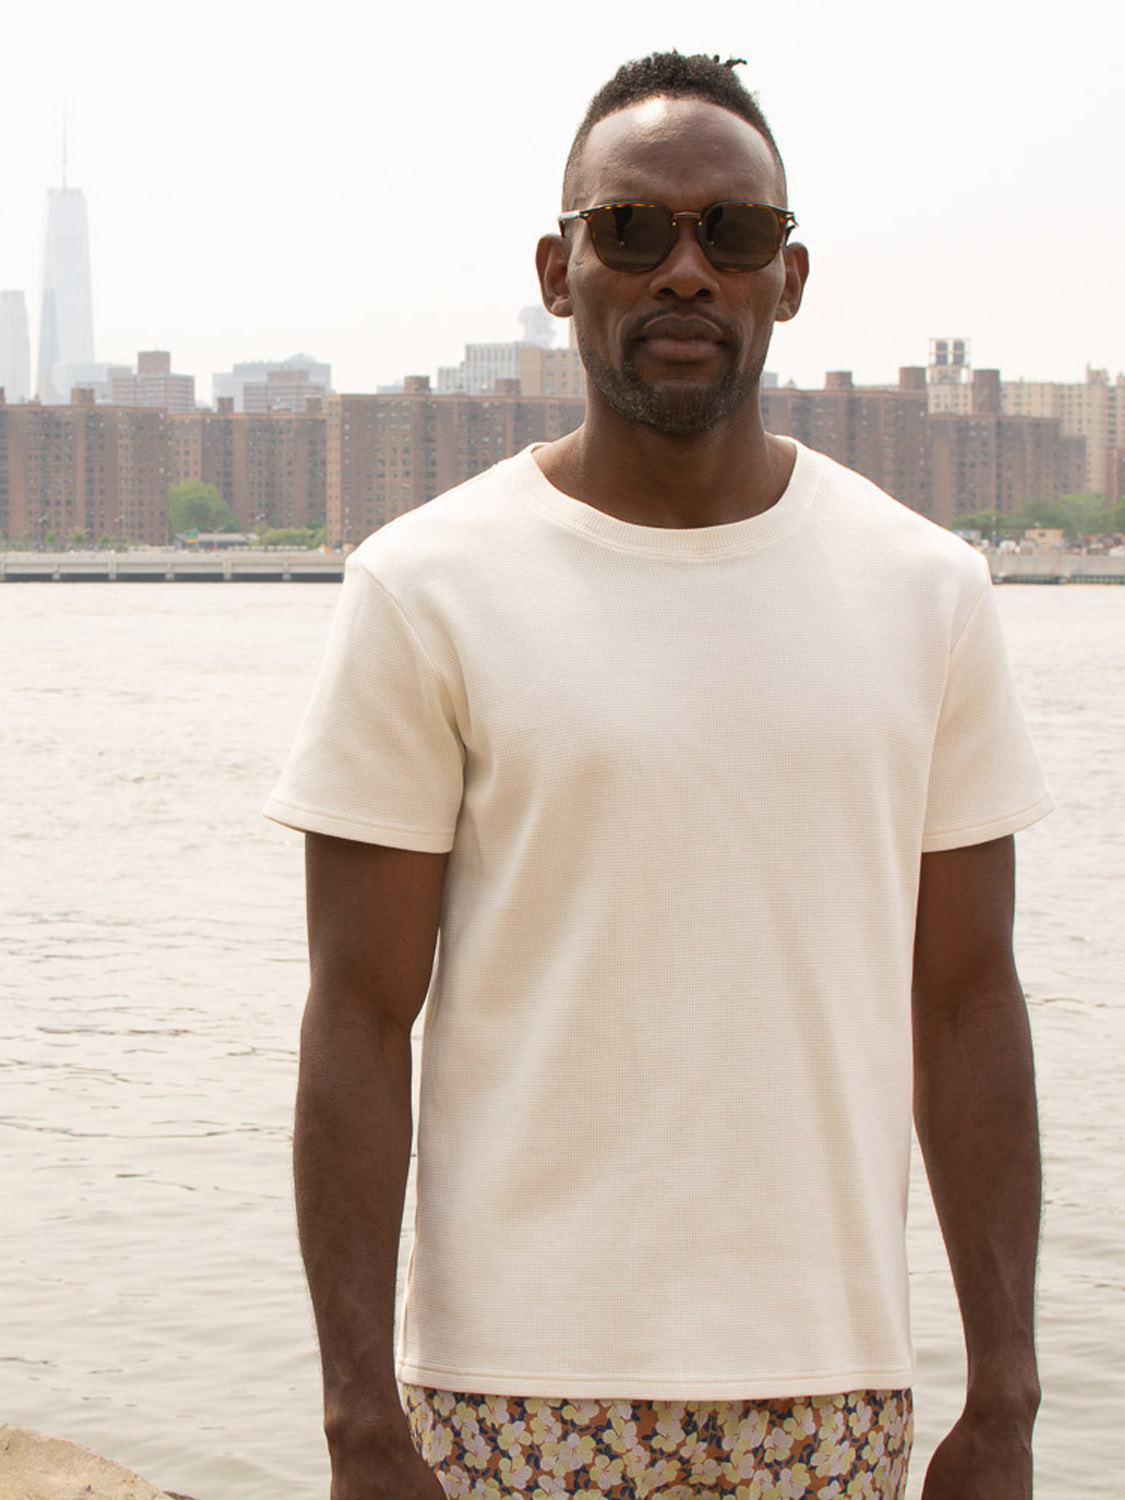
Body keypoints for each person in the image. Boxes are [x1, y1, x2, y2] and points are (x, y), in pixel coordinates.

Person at [266, 51, 1052, 1500]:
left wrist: (1002, 1394)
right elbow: (360, 1019)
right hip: (506, 1396)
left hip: (828, 1390)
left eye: (731, 234)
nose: (685, 270)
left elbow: (966, 1003)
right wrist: (357, 1419)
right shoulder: (424, 587)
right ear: (558, 272)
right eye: (631, 229)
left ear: (787, 277)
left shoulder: (926, 589)